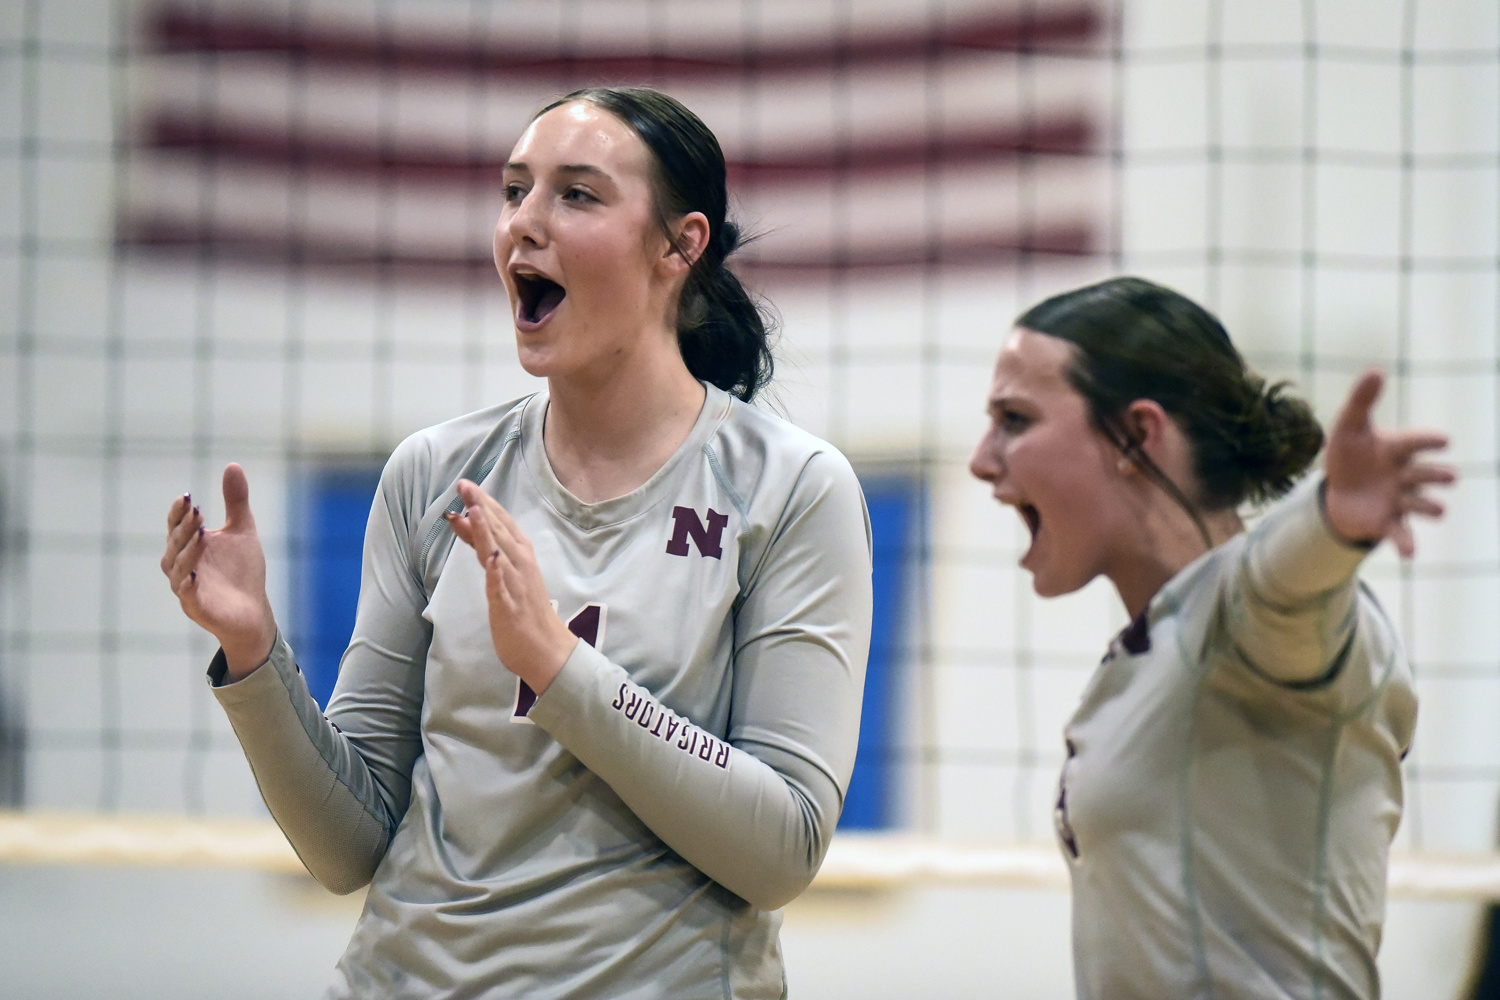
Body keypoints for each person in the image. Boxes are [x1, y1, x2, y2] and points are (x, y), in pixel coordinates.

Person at [160, 87, 873, 999]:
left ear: (680, 245)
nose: (523, 225)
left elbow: (783, 848)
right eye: (513, 191)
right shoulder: (435, 472)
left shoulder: (789, 487)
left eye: (577, 195)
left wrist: (562, 672)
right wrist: (254, 657)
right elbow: (349, 849)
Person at [968, 276, 1452, 1000]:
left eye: (1014, 419)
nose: (982, 458)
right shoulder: (1159, 642)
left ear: (1137, 435)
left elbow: (1285, 585)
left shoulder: (1250, 618)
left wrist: (1330, 518)